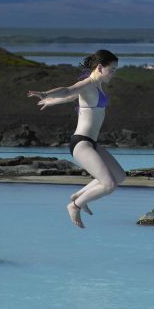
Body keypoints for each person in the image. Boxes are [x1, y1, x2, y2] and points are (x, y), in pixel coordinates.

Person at [27, 50, 125, 229]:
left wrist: (51, 102)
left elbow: (73, 97)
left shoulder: (97, 86)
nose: (114, 73)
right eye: (112, 69)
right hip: (81, 143)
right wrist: (46, 93)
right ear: (100, 67)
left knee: (119, 176)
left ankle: (78, 196)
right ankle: (75, 205)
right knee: (109, 184)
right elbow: (68, 90)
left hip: (92, 143)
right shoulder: (87, 84)